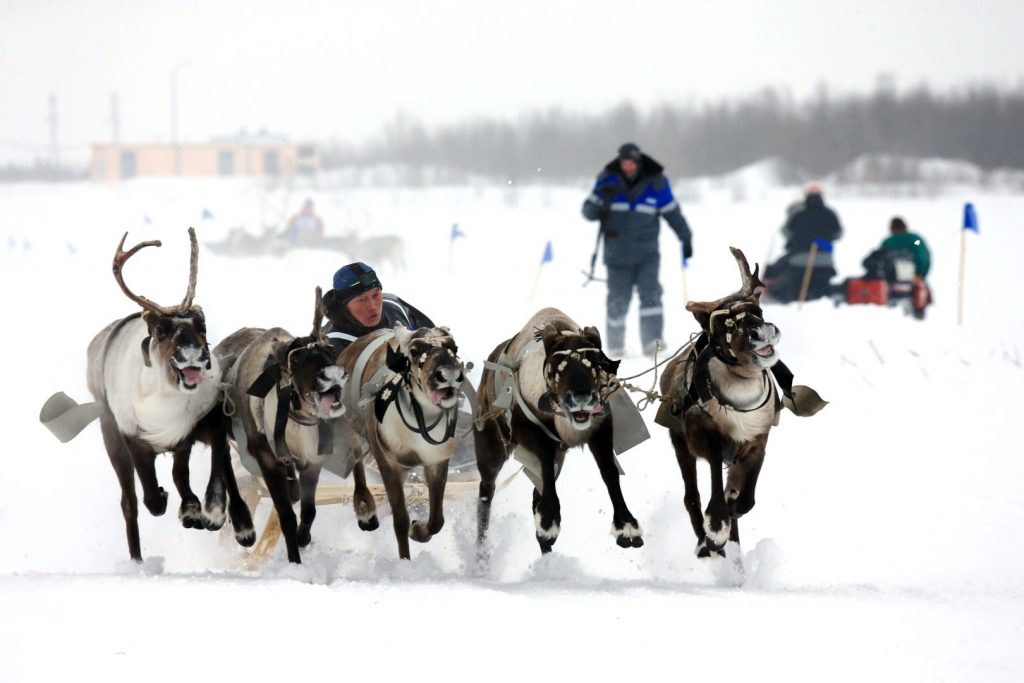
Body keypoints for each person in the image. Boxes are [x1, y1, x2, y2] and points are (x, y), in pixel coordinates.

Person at [581, 142, 693, 356]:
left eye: (632, 163)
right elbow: (588, 213)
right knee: (617, 301)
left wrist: (685, 238)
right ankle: (615, 347)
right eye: (624, 163)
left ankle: (653, 342)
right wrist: (600, 200)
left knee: (651, 297)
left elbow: (673, 214)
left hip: (647, 254)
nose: (628, 167)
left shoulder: (656, 184)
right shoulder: (607, 180)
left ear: (639, 162)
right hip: (616, 256)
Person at [321, 262, 434, 355]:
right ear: (344, 306)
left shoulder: (396, 308)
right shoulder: (331, 345)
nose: (373, 306)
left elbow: (435, 341)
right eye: (362, 300)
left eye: (376, 295)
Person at [764, 182, 843, 303]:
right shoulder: (830, 213)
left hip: (798, 259)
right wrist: (822, 240)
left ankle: (770, 294)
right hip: (826, 261)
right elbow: (838, 234)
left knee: (776, 270)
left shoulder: (798, 212)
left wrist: (801, 239)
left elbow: (786, 231)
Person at [862, 216, 932, 319]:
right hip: (914, 277)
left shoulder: (888, 242)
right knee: (920, 295)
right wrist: (921, 274)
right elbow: (923, 255)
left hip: (891, 280)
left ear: (891, 229)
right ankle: (919, 312)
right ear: (905, 226)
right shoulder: (915, 239)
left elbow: (878, 259)